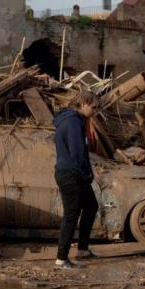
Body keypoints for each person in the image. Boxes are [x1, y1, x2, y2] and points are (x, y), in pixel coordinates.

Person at [53, 90, 100, 269]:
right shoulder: (73, 122)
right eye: (93, 107)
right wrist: (87, 174)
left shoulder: (75, 120)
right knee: (71, 215)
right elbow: (78, 152)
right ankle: (61, 259)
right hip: (71, 174)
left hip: (72, 172)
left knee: (91, 206)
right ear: (83, 104)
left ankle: (82, 250)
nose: (95, 111)